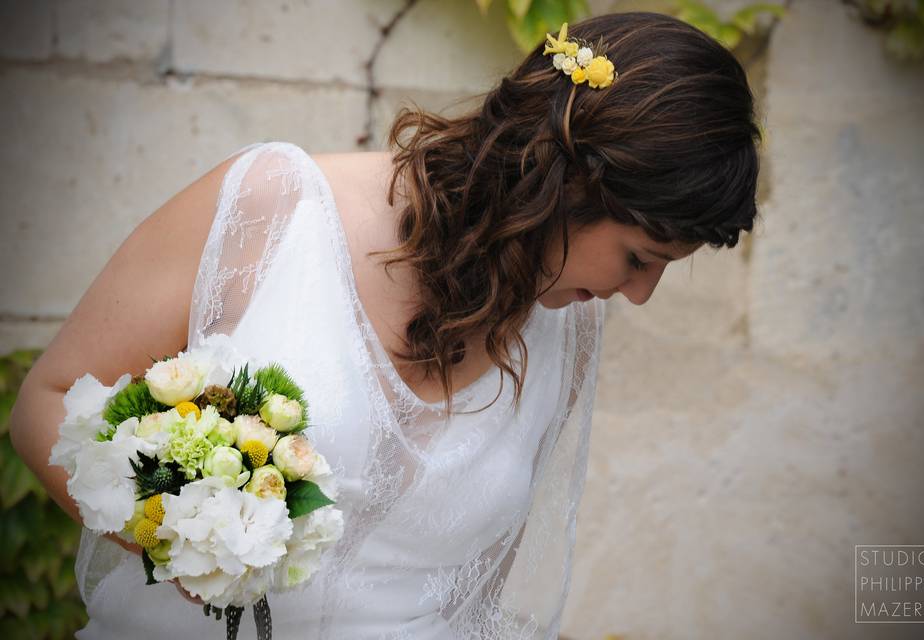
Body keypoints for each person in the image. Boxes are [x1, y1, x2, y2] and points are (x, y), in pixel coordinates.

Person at [9, 11, 760, 639]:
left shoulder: (569, 323)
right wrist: (180, 540)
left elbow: (480, 589)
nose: (639, 296)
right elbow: (47, 401)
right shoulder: (275, 205)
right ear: (571, 182)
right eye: (639, 257)